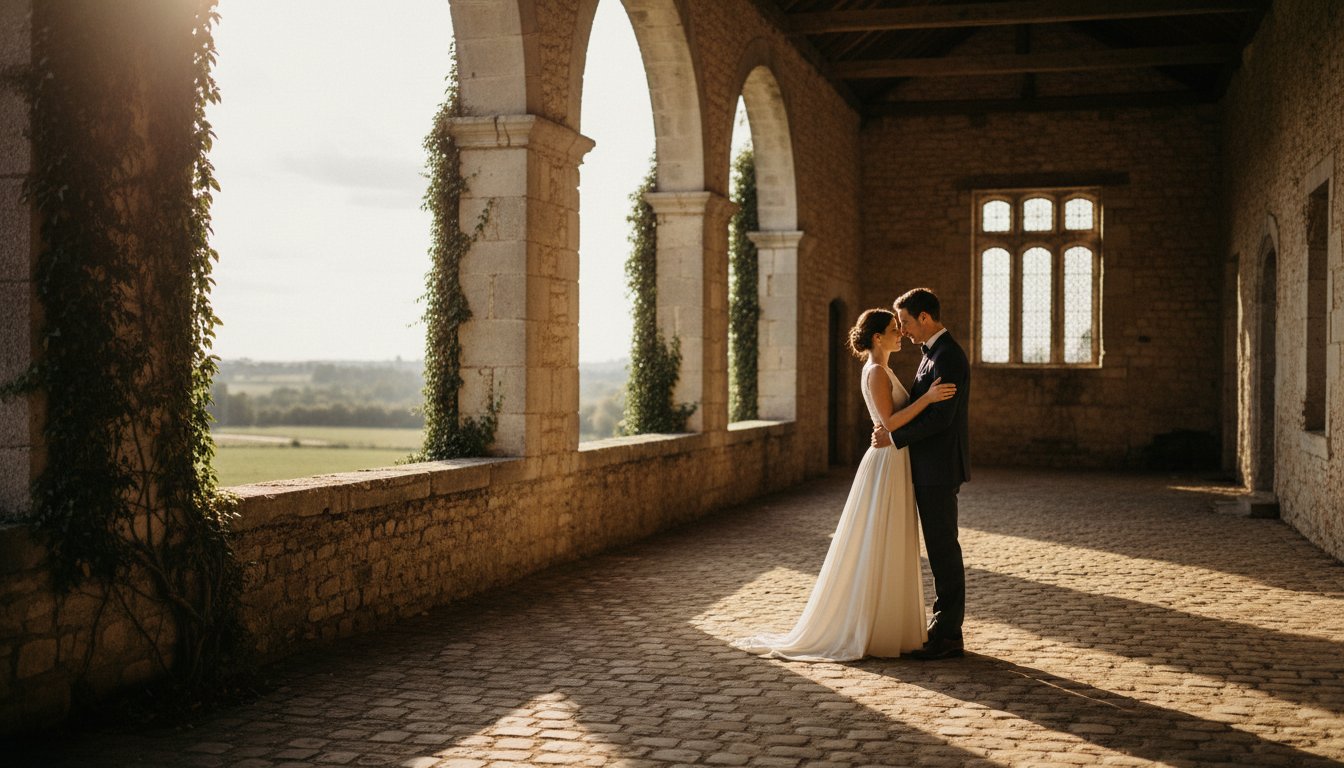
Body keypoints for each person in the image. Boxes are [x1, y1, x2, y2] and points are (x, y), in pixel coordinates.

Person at [734, 308, 956, 661]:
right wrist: (928, 398)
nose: (900, 333)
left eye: (901, 327)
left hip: (895, 459)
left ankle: (887, 624)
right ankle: (869, 626)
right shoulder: (876, 372)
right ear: (877, 338)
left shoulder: (882, 370)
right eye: (893, 329)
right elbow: (890, 421)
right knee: (877, 539)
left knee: (890, 540)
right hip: (887, 460)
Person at [872, 288, 970, 660]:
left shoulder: (948, 356)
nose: (904, 330)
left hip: (939, 467)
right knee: (938, 546)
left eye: (907, 322)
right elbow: (921, 406)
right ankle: (943, 626)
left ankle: (948, 634)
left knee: (944, 547)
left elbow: (941, 418)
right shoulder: (932, 355)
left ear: (925, 317)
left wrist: (895, 437)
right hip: (928, 465)